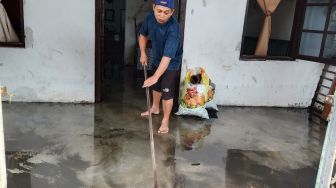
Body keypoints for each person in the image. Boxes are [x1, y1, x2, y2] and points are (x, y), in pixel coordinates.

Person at [139, 0, 183, 134]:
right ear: (153, 7)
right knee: (156, 86)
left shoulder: (174, 28)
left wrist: (156, 76)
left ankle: (165, 121)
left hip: (171, 61)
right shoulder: (149, 17)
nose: (162, 16)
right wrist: (143, 53)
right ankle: (155, 108)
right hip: (157, 57)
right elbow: (143, 35)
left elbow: (167, 57)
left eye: (166, 12)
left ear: (172, 12)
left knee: (166, 91)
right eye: (159, 11)